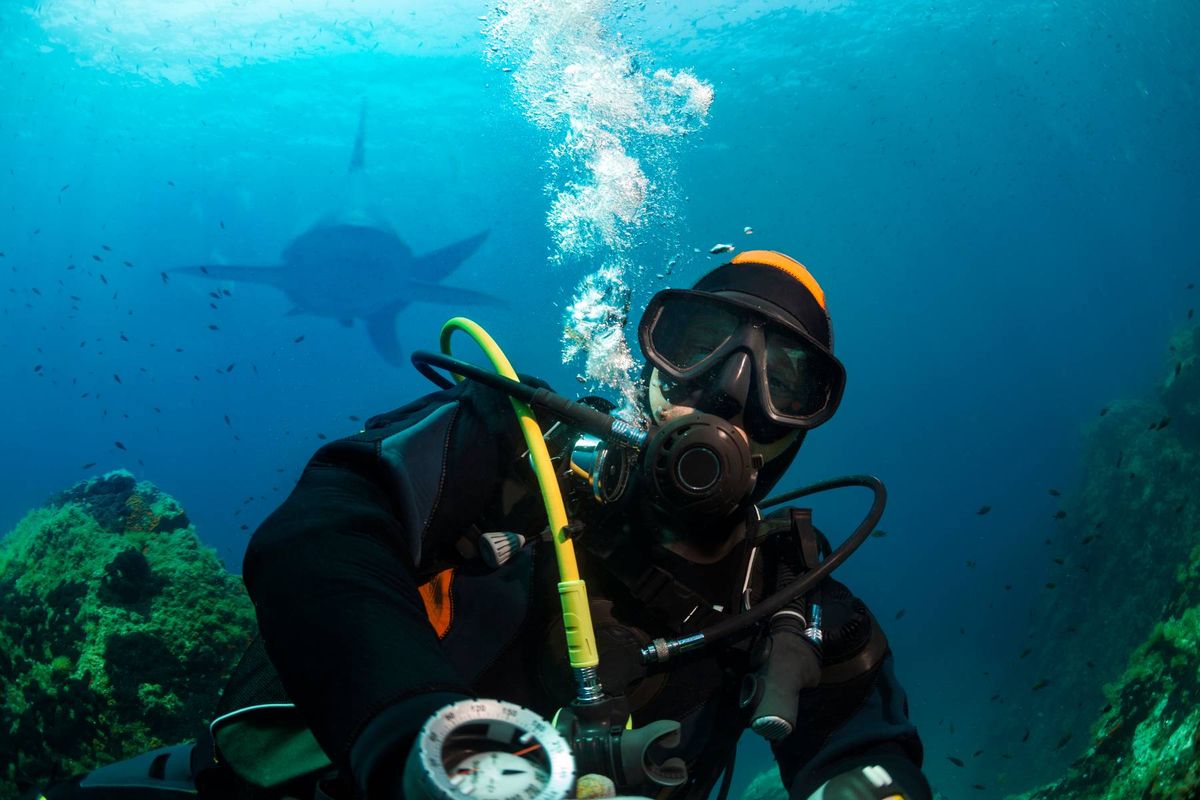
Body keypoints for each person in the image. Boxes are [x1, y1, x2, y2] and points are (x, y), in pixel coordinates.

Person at [36, 250, 931, 800]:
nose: (731, 389)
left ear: (807, 424)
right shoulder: (508, 448)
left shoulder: (799, 608)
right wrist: (415, 739)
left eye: (787, 379)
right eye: (699, 342)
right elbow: (321, 534)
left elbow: (865, 744)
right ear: (648, 358)